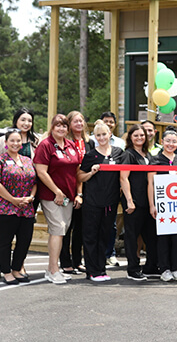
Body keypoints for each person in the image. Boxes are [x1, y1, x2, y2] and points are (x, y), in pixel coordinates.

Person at [0, 107, 38, 278]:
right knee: (5, 237)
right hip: (5, 201)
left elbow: (36, 176)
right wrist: (12, 199)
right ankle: (1, 267)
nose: (26, 123)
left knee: (24, 238)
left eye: (29, 120)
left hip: (27, 200)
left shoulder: (34, 142)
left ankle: (18, 267)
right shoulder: (2, 148)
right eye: (23, 120)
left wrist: (30, 197)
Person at [34, 114, 81, 285]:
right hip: (51, 196)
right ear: (52, 127)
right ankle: (54, 270)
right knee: (58, 229)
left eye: (64, 126)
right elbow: (41, 172)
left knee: (61, 231)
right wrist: (57, 191)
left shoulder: (70, 145)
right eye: (57, 126)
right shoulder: (45, 145)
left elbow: (77, 170)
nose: (61, 129)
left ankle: (52, 268)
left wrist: (78, 193)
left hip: (68, 195)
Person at [78, 120, 124, 282]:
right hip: (92, 202)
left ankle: (101, 269)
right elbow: (80, 176)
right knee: (91, 237)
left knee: (105, 236)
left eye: (104, 134)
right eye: (98, 135)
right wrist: (91, 172)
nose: (102, 137)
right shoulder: (90, 156)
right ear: (95, 137)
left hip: (110, 202)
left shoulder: (119, 152)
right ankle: (92, 271)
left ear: (110, 134)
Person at [146, 129, 177, 282]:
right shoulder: (155, 160)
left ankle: (176, 267)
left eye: (174, 142)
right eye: (168, 141)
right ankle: (164, 269)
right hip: (161, 206)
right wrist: (152, 204)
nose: (171, 144)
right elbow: (150, 183)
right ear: (162, 142)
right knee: (163, 238)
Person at [119, 124, 157, 281]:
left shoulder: (148, 154)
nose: (140, 138)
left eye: (142, 135)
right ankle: (133, 270)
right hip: (134, 202)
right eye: (136, 136)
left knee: (151, 236)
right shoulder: (128, 154)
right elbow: (123, 178)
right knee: (132, 237)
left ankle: (150, 267)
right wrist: (129, 200)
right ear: (130, 138)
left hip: (148, 202)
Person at [61, 110, 92, 275]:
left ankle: (77, 261)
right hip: (69, 188)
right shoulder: (65, 142)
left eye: (81, 121)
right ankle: (65, 262)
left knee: (81, 227)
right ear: (69, 125)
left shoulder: (89, 142)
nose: (79, 124)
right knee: (67, 226)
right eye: (75, 122)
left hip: (86, 189)